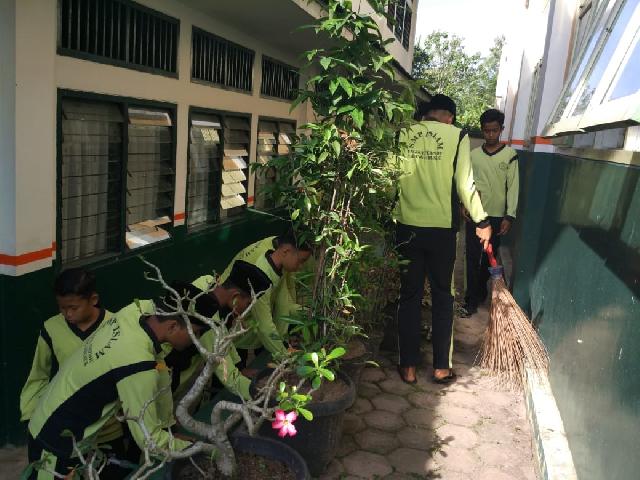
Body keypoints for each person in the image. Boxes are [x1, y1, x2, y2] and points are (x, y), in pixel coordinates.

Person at [26, 280, 220, 479]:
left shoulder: (137, 311)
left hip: (62, 424)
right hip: (53, 441)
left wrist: (168, 428)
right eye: (196, 332)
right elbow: (151, 443)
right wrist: (208, 450)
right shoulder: (137, 364)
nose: (196, 339)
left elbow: (160, 369)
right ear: (172, 327)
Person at [392, 94, 492, 385]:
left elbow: (391, 180)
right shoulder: (457, 136)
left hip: (407, 227)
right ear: (449, 116)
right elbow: (465, 183)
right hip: (442, 231)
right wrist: (482, 220)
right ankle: (441, 368)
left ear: (428, 113)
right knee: (443, 297)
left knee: (409, 296)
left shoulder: (403, 134)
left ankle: (408, 368)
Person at [19, 269, 131, 478]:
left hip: (108, 432)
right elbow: (38, 376)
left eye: (73, 308)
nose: (68, 314)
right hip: (66, 433)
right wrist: (31, 417)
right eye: (62, 308)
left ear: (93, 300)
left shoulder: (117, 327)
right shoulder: (52, 328)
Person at [163, 260, 274, 403]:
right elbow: (228, 377)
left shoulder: (208, 284)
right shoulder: (206, 323)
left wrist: (239, 367)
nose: (247, 310)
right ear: (235, 296)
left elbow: (224, 336)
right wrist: (265, 395)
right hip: (167, 373)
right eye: (248, 304)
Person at [193, 232, 312, 359]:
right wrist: (285, 356)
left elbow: (283, 305)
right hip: (238, 332)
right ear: (286, 251)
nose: (301, 267)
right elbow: (264, 325)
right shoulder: (261, 278)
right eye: (301, 261)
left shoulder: (276, 260)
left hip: (242, 331)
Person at [463, 108, 519, 316]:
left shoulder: (510, 155)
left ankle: (480, 290)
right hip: (475, 215)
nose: (491, 134)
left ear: (501, 129)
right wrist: (464, 204)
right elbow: (467, 183)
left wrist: (509, 215)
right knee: (471, 258)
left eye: (494, 130)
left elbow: (513, 187)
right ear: (482, 130)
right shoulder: (473, 156)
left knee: (489, 258)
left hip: (497, 216)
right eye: (487, 131)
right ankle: (470, 299)